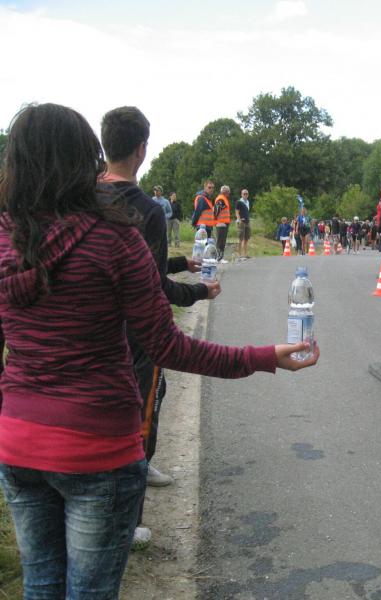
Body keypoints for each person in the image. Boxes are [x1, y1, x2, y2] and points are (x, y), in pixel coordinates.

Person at [0, 103, 320, 600]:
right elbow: (166, 346)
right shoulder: (113, 236)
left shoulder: (6, 239)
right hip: (96, 444)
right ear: (85, 158)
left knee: (40, 586)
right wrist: (261, 357)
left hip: (18, 442)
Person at [98, 106, 220, 549]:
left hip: (97, 328)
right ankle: (130, 521)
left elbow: (124, 266)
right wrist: (201, 291)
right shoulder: (147, 210)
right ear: (141, 149)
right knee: (142, 415)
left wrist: (180, 261)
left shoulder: (87, 198)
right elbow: (152, 287)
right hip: (139, 335)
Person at [214, 185, 232, 263]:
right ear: (225, 192)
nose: (229, 194)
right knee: (220, 241)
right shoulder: (221, 199)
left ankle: (220, 257)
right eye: (228, 192)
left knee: (222, 241)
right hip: (221, 222)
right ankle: (219, 258)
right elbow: (216, 210)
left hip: (223, 222)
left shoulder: (223, 198)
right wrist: (216, 220)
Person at [236, 189, 251, 259]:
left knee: (246, 238)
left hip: (247, 221)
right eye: (244, 194)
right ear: (241, 194)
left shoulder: (247, 202)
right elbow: (237, 212)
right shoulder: (239, 202)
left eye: (246, 194)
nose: (245, 195)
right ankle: (239, 254)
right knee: (240, 239)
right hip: (241, 222)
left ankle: (245, 254)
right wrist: (239, 220)